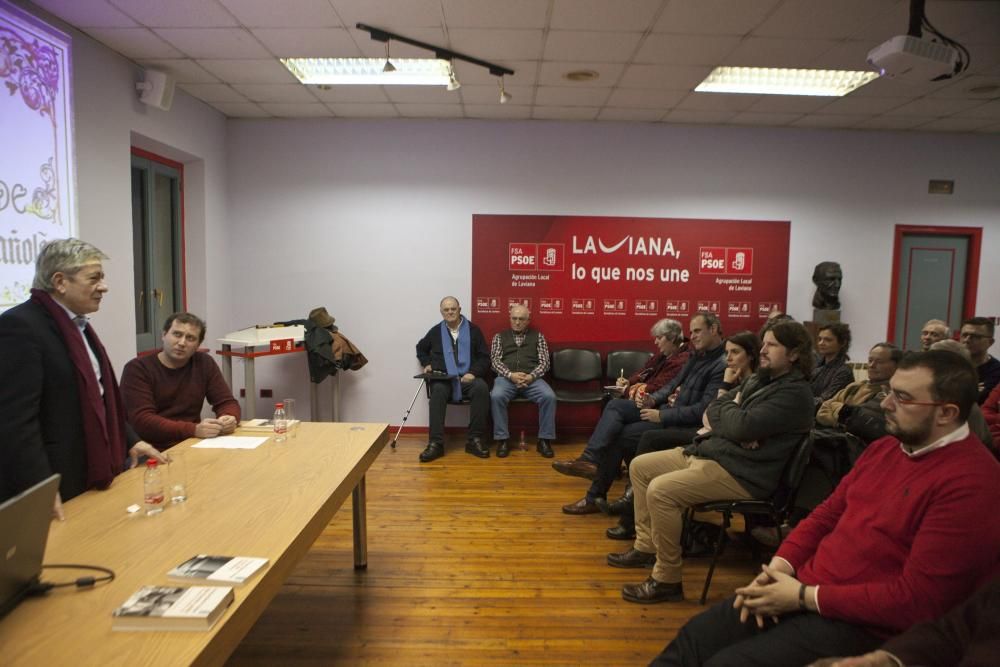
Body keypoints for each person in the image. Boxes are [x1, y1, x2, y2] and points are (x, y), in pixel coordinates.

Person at [651, 350, 1000, 666]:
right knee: (694, 639)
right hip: (803, 590)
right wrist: (778, 568)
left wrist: (804, 597)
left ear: (947, 413)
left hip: (863, 624)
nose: (886, 404)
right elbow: (826, 516)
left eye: (903, 398)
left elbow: (916, 600)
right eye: (891, 391)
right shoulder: (886, 449)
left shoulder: (972, 484)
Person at [610, 321, 815, 604]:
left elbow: (738, 424)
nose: (763, 350)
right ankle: (646, 548)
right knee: (640, 466)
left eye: (772, 345)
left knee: (661, 491)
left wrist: (733, 421)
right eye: (763, 343)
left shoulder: (794, 394)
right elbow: (715, 409)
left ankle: (667, 578)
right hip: (714, 454)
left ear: (794, 354)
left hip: (743, 474)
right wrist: (732, 418)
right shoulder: (761, 379)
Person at [0, 239, 165, 518]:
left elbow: (97, 398)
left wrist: (130, 440)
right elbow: (15, 420)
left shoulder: (78, 325)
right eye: (94, 278)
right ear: (60, 281)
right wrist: (39, 484)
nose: (104, 287)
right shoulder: (20, 326)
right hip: (55, 477)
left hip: (89, 469)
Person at [558, 315, 721, 516]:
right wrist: (652, 400)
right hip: (665, 410)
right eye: (692, 331)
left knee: (620, 433)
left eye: (697, 331)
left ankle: (603, 496)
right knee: (615, 406)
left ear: (713, 329)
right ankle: (590, 462)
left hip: (682, 424)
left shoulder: (717, 363)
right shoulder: (697, 356)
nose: (692, 336)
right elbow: (671, 385)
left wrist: (661, 415)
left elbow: (702, 410)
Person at [604, 331, 759, 541]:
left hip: (706, 439)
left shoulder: (738, 380)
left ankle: (630, 513)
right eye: (727, 352)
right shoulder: (699, 362)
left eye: (735, 352)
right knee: (623, 428)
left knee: (647, 439)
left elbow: (712, 418)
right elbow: (710, 414)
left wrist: (664, 414)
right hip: (702, 434)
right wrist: (653, 401)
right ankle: (622, 498)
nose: (728, 357)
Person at [551, 317, 691, 481]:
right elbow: (643, 371)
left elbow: (658, 387)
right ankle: (603, 465)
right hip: (643, 400)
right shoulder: (665, 354)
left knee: (615, 407)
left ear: (672, 338)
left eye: (659, 338)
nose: (656, 342)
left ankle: (590, 460)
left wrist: (627, 390)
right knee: (611, 408)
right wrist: (628, 382)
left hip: (658, 408)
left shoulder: (682, 359)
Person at [810, 576, 1000, 667]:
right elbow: (954, 631)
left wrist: (806, 597)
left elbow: (913, 599)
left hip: (869, 621)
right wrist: (885, 660)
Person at [121, 312, 241, 450]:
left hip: (191, 444)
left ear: (197, 345)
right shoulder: (137, 369)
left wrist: (228, 417)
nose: (182, 343)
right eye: (177, 334)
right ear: (164, 335)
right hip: (149, 449)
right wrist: (194, 429)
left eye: (190, 338)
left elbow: (226, 402)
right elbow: (142, 421)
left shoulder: (204, 363)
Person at [415, 296, 490, 462]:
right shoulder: (435, 332)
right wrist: (426, 363)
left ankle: (474, 440)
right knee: (437, 391)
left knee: (481, 388)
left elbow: (484, 358)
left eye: (453, 309)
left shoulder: (474, 330)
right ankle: (436, 444)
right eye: (446, 310)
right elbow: (421, 348)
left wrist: (473, 372)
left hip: (467, 378)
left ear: (459, 309)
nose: (450, 312)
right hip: (445, 379)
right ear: (441, 312)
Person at [489, 304, 556, 458]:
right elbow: (495, 362)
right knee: (496, 396)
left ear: (528, 320)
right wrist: (511, 375)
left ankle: (544, 439)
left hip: (532, 379)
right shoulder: (499, 337)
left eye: (521, 319)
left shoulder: (538, 336)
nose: (517, 322)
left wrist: (531, 376)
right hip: (506, 378)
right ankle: (502, 439)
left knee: (549, 397)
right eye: (514, 318)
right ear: (509, 318)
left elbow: (545, 362)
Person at [810, 322, 855, 407]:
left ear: (842, 343)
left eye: (828, 340)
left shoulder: (844, 372)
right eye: (819, 339)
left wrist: (799, 401)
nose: (821, 343)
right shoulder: (816, 366)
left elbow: (826, 400)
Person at [959, 316, 1000, 403]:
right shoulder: (949, 365)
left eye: (975, 337)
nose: (967, 340)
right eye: (964, 335)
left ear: (990, 342)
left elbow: (983, 400)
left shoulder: (997, 371)